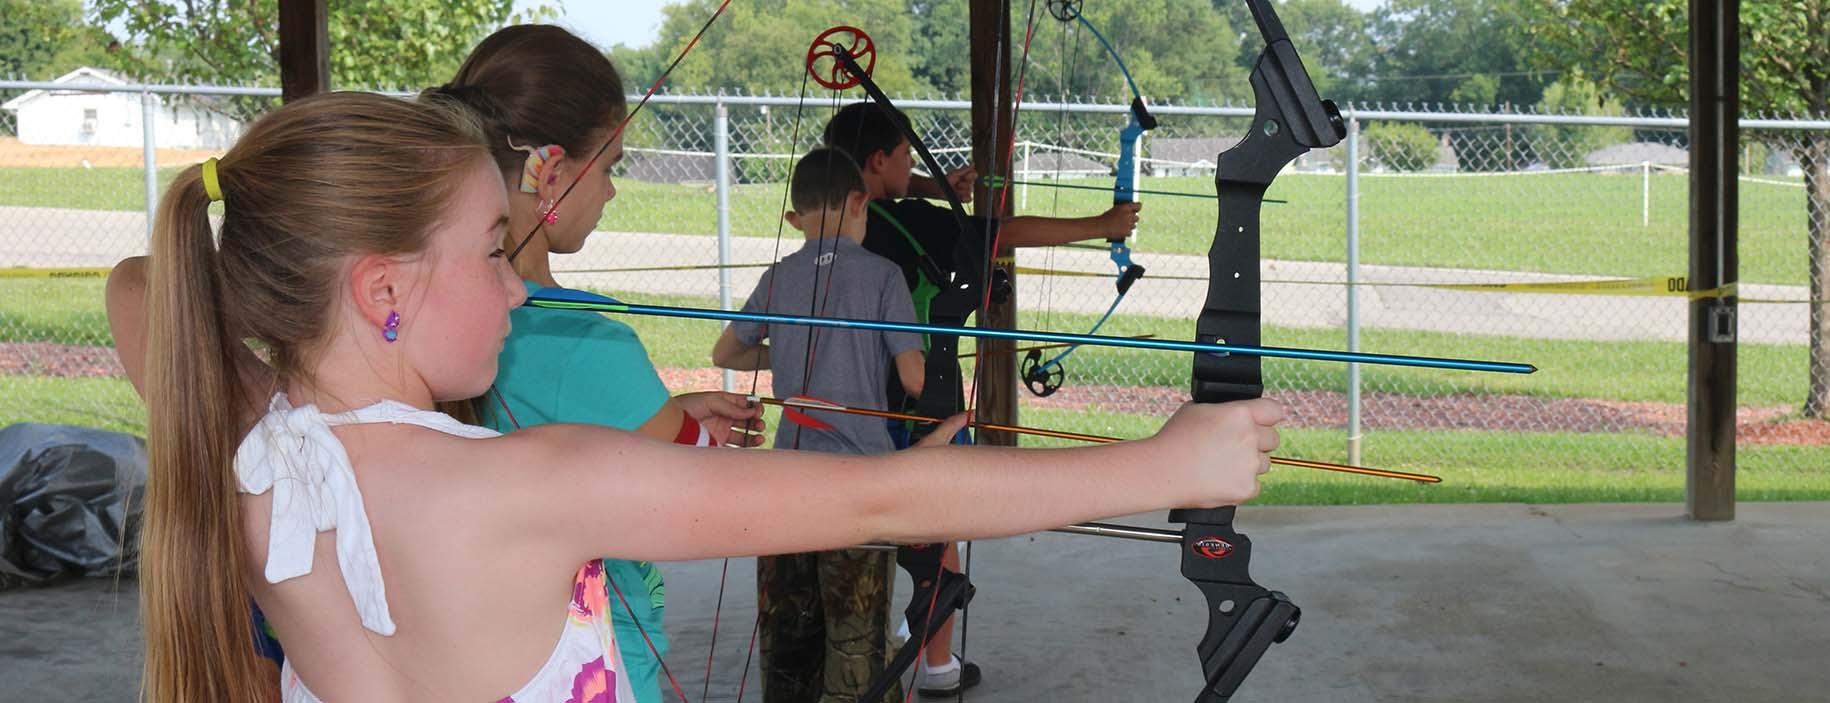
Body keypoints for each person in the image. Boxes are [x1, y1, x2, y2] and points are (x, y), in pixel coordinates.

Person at [136, 90, 1283, 702]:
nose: (515, 290)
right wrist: (1168, 464)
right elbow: (871, 503)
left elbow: (147, 288)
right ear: (382, 290)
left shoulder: (250, 448)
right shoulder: (530, 485)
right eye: (493, 252)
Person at [103, 25, 765, 700]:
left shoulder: (287, 441)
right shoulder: (589, 349)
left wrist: (285, 292)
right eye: (612, 163)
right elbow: (703, 474)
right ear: (553, 172)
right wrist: (693, 430)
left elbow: (138, 285)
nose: (613, 189)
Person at [821, 100, 1144, 696]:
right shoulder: (914, 220)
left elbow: (879, 187)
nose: (912, 171)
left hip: (838, 398)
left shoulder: (829, 219)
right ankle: (937, 668)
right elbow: (1000, 234)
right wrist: (1102, 225)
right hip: (913, 401)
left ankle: (848, 656)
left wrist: (931, 185)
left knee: (847, 527)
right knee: (937, 525)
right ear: (878, 159)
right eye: (905, 159)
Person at [710, 148, 923, 702]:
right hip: (860, 487)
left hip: (785, 484)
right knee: (858, 652)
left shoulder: (779, 275)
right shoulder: (883, 275)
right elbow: (916, 379)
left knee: (788, 648)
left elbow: (727, 353)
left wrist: (785, 357)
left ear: (795, 219)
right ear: (859, 202)